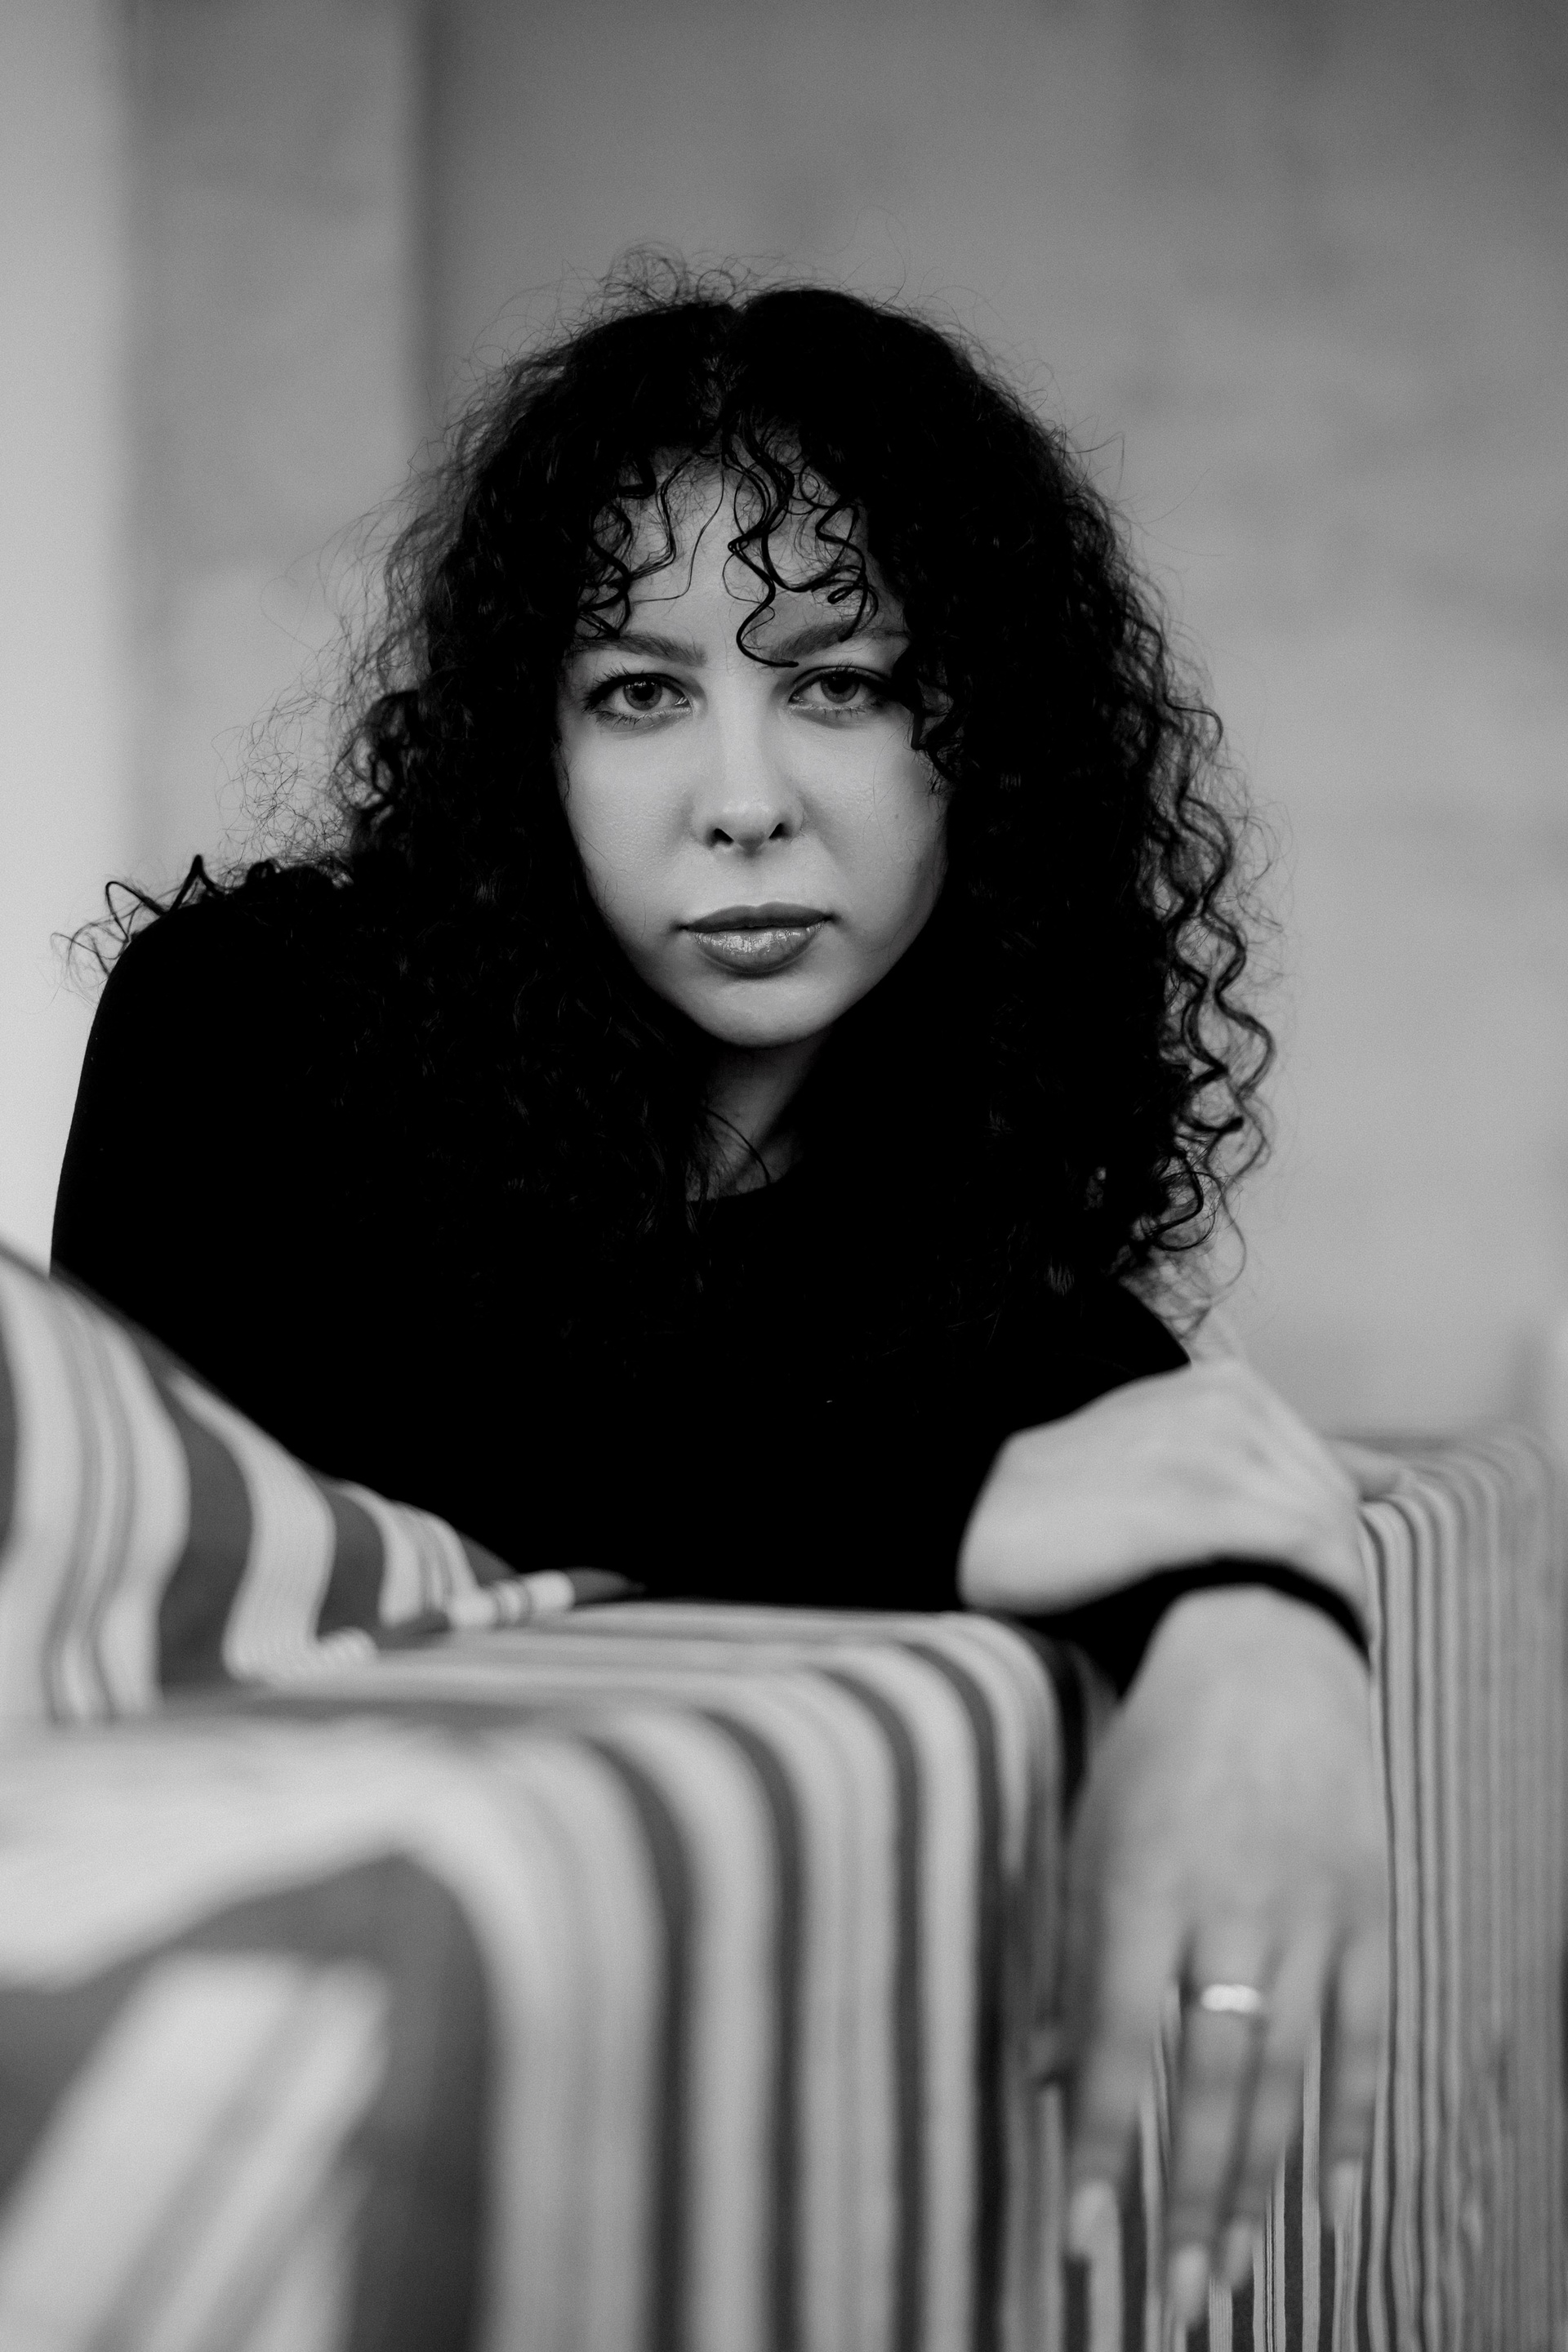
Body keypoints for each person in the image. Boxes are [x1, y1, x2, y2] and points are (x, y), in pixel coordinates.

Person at [54, 261, 1387, 2323]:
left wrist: (1271, 1635)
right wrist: (946, 1509)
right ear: (534, 743)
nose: (744, 799)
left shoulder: (957, 1242)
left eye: (840, 683)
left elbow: (1146, 1450)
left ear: (981, 746)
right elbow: (343, 1449)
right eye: (639, 693)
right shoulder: (257, 1018)